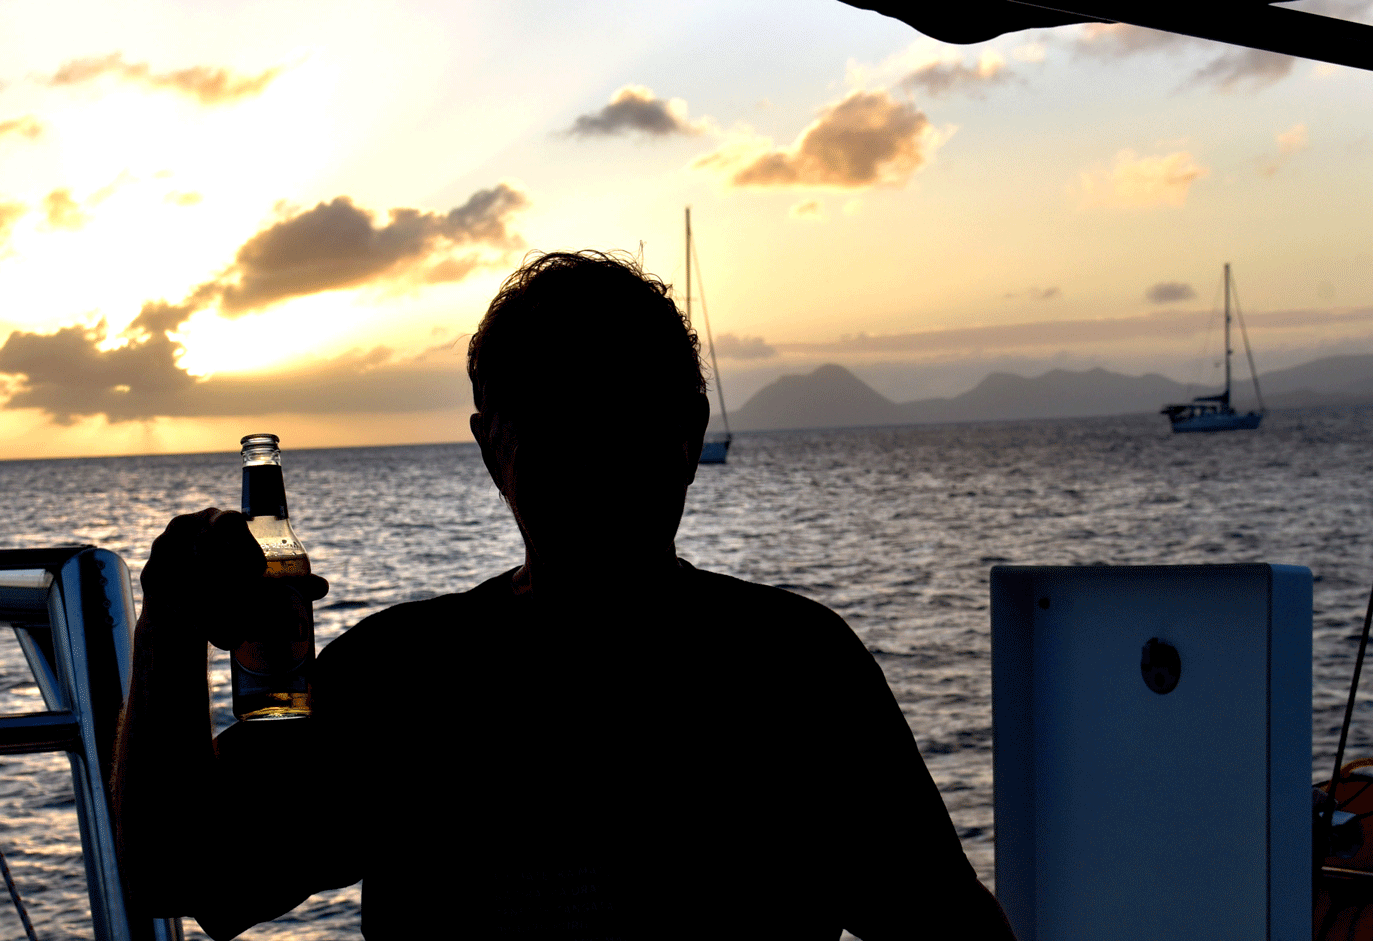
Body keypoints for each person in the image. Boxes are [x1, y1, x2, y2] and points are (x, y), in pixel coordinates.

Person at [112, 251, 1016, 940]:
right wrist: (173, 621)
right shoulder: (401, 677)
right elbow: (180, 873)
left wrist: (168, 627)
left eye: (620, 414)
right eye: (558, 419)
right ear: (490, 448)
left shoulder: (796, 670)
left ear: (687, 433)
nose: (593, 455)